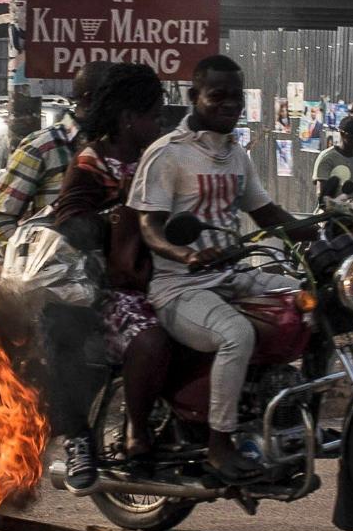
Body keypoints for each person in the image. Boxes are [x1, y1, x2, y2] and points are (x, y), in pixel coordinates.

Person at [128, 54, 310, 481]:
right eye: (218, 95)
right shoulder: (167, 155)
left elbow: (267, 214)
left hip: (231, 275)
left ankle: (298, 412)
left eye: (236, 96)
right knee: (236, 334)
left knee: (309, 299)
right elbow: (149, 227)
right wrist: (185, 255)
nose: (230, 104)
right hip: (178, 287)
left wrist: (328, 230)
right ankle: (218, 444)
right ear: (194, 97)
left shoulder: (236, 154)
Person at [49, 63, 170, 484]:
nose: (160, 122)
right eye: (154, 115)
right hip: (107, 289)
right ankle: (85, 438)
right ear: (127, 119)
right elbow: (70, 225)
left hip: (166, 278)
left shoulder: (161, 156)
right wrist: (119, 216)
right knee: (144, 339)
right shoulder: (90, 164)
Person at [0, 61, 111, 252]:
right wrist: (30, 261)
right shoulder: (43, 147)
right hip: (57, 277)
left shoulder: (127, 148)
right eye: (117, 100)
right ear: (91, 100)